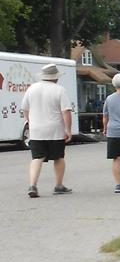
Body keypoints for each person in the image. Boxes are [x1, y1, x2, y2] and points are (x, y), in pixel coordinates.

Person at [22, 63, 73, 198]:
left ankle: (32, 185)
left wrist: (29, 122)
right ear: (55, 77)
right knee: (58, 157)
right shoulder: (59, 90)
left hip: (36, 130)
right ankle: (59, 185)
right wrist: (68, 129)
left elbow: (25, 109)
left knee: (37, 158)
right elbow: (66, 111)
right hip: (55, 129)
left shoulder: (32, 88)